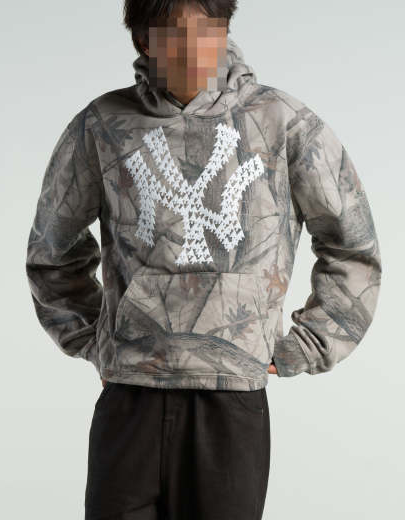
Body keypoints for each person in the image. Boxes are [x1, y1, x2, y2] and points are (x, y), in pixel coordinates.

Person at [25, 1, 382, 518]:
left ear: (226, 30)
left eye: (209, 32)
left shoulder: (283, 123)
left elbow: (352, 246)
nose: (195, 52)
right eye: (175, 36)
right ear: (143, 40)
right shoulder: (102, 126)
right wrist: (96, 340)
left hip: (230, 398)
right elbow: (51, 253)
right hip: (131, 394)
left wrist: (307, 344)